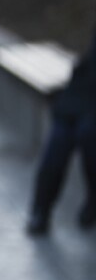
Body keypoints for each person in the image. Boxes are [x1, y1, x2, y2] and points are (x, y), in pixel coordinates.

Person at [25, 23, 96, 235]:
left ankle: (93, 199)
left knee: (87, 134)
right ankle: (41, 211)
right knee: (58, 143)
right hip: (78, 98)